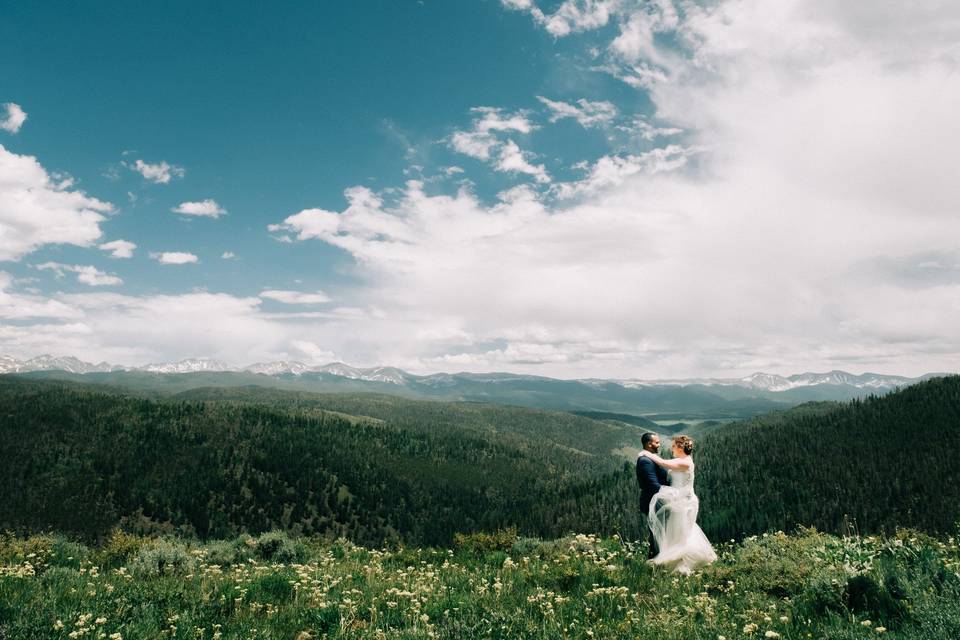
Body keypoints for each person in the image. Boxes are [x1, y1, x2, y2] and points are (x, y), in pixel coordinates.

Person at [638, 434, 717, 574]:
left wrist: (645, 453)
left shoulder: (686, 462)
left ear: (680, 447)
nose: (671, 448)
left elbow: (664, 463)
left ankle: (682, 560)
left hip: (683, 500)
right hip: (676, 500)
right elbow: (667, 468)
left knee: (681, 530)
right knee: (676, 530)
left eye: (674, 446)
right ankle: (675, 558)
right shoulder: (680, 460)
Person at [636, 432, 668, 559]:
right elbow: (653, 485)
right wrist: (674, 492)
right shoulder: (645, 461)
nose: (659, 445)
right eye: (657, 442)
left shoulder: (650, 458)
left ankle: (659, 558)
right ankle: (655, 559)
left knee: (660, 532)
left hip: (658, 501)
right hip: (652, 502)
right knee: (656, 533)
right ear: (649, 444)